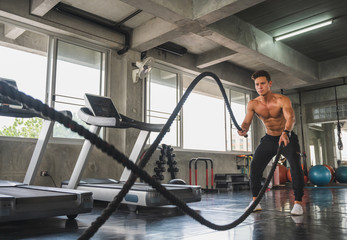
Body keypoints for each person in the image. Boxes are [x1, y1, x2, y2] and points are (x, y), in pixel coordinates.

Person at [238, 70, 304, 215]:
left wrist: (286, 132)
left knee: (295, 167)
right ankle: (255, 201)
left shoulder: (282, 100)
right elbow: (246, 122)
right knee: (254, 167)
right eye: (257, 84)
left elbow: (290, 118)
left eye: (262, 83)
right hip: (269, 138)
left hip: (287, 137)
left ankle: (298, 203)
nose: (259, 87)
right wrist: (243, 129)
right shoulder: (253, 104)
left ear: (269, 84)